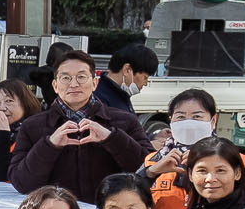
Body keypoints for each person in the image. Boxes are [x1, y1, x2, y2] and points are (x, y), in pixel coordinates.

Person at [9, 49, 149, 199]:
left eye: (81, 77)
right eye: (66, 78)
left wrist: (111, 138)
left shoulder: (125, 121)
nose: (74, 84)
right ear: (55, 85)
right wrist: (49, 145)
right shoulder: (32, 126)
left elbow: (149, 170)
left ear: (95, 83)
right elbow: (21, 183)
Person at [142, 89, 220, 209]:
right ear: (171, 121)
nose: (188, 123)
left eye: (197, 116)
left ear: (213, 121)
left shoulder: (234, 160)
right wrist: (151, 173)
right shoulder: (154, 160)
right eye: (181, 117)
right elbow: (131, 197)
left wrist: (206, 165)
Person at [97, 43, 159, 118]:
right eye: (145, 77)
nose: (145, 83)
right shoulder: (99, 100)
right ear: (127, 70)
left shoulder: (121, 94)